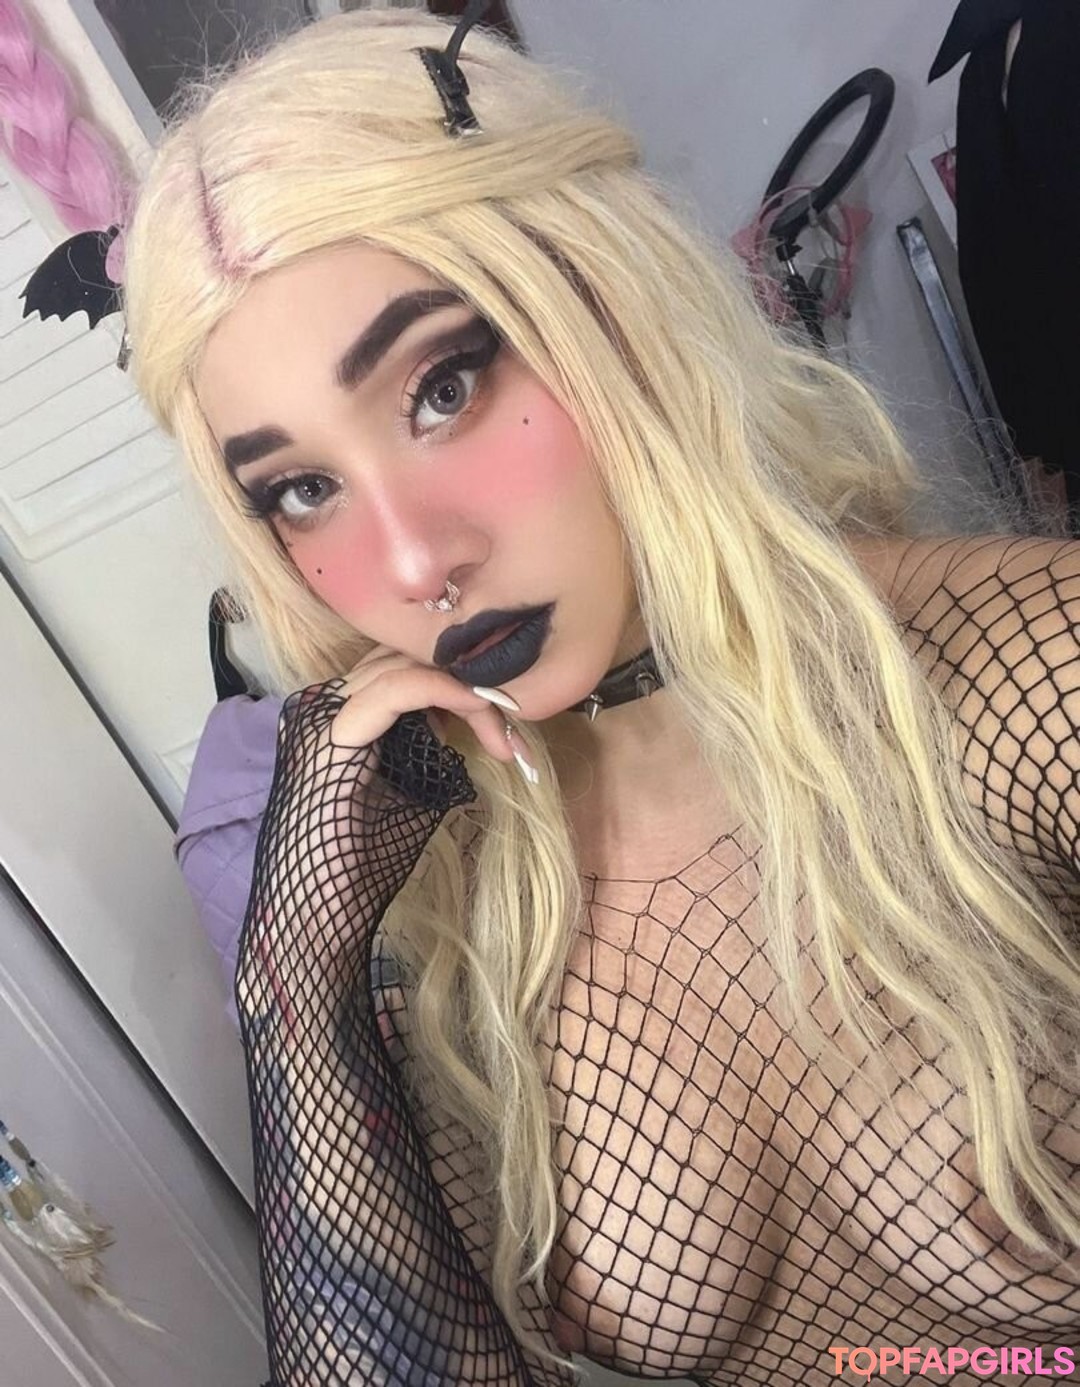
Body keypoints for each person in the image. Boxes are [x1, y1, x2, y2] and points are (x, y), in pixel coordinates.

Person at [121, 8, 1080, 1384]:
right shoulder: (440, 900)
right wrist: (296, 984)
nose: (413, 562)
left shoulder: (1034, 680)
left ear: (609, 303)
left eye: (444, 387)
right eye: (305, 490)